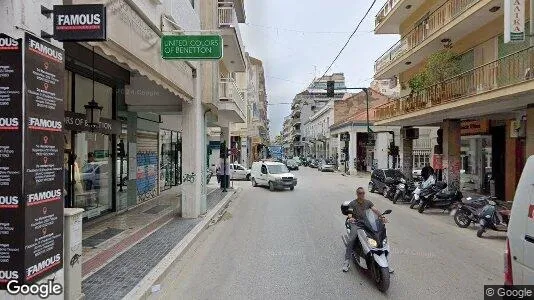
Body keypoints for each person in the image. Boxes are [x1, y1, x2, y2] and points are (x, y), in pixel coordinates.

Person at [343, 187, 392, 273]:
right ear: (357, 194)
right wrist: (351, 218)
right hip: (356, 223)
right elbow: (350, 213)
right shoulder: (352, 203)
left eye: (363, 193)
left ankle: (386, 263)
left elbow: (375, 210)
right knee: (352, 239)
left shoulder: (368, 202)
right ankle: (347, 260)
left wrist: (382, 217)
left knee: (379, 237)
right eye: (360, 193)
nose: (362, 194)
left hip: (366, 223)